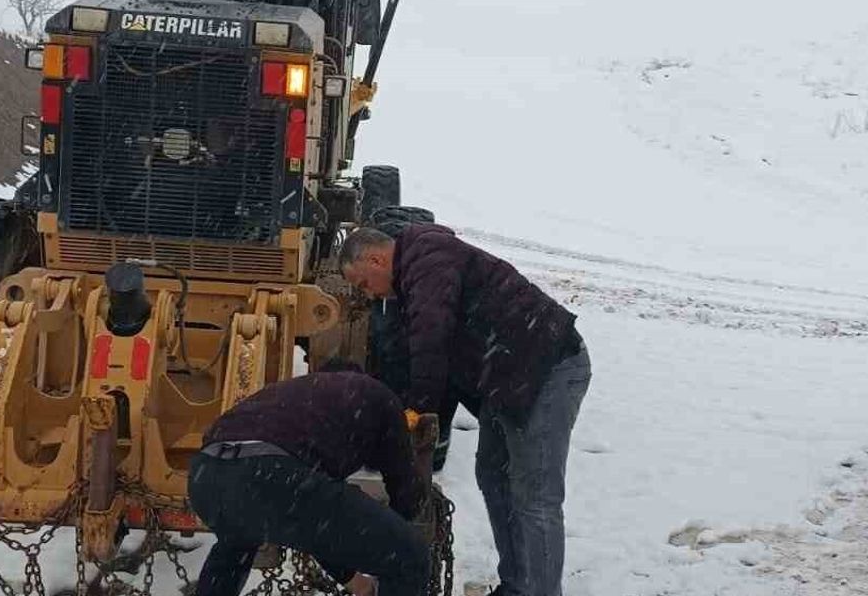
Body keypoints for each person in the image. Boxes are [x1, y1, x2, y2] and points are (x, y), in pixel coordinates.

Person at [339, 224, 592, 596]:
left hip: (547, 369)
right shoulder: (414, 274)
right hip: (507, 378)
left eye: (363, 283)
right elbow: (433, 358)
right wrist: (415, 414)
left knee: (535, 495)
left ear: (377, 259)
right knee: (492, 474)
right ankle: (517, 585)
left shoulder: (427, 259)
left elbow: (431, 339)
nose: (369, 294)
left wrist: (419, 408)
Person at [188, 360, 431, 596]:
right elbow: (406, 493)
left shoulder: (292, 395)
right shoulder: (377, 396)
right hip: (270, 472)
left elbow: (316, 525)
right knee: (410, 559)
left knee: (235, 547)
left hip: (206, 475)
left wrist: (356, 582)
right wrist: (398, 530)